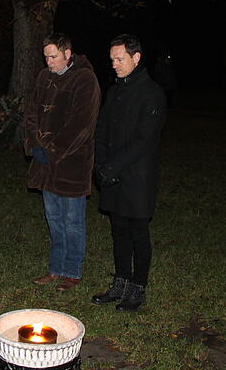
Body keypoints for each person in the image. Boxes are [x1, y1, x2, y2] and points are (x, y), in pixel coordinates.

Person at [92, 34, 166, 312]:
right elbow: (102, 130)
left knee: (138, 232)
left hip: (137, 177)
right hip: (112, 175)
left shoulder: (152, 94)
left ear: (136, 58)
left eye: (120, 59)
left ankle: (138, 287)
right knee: (118, 231)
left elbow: (144, 140)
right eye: (112, 59)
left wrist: (112, 167)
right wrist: (100, 164)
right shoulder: (114, 91)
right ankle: (120, 282)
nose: (114, 64)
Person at [25, 33, 101, 292]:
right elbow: (32, 113)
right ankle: (56, 269)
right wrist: (35, 144)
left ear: (68, 53)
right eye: (46, 57)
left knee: (72, 220)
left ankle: (72, 271)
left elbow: (81, 124)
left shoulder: (84, 80)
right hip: (46, 166)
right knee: (54, 218)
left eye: (53, 56)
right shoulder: (43, 77)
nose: (49, 62)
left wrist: (54, 150)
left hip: (72, 165)